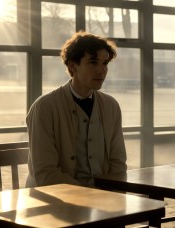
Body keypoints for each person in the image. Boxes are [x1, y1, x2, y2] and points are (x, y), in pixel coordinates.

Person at [25, 31, 127, 187]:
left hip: (102, 200)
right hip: (53, 202)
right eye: (93, 62)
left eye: (105, 63)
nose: (101, 70)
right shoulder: (45, 107)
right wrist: (89, 196)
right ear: (73, 66)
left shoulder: (111, 106)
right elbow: (45, 173)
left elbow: (118, 163)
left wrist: (109, 197)